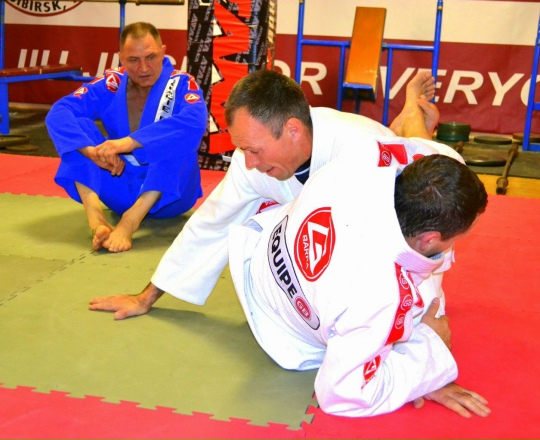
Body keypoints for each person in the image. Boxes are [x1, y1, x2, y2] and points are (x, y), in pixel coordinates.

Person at [89, 69, 481, 415]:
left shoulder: (360, 147)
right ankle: (411, 120)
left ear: (293, 129)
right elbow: (212, 222)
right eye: (242, 149)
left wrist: (424, 362)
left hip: (393, 202)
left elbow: (429, 213)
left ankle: (412, 119)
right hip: (301, 245)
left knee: (435, 208)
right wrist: (147, 296)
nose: (248, 161)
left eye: (253, 150)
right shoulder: (254, 162)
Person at [227, 153, 490, 417]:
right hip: (283, 332)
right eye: (456, 238)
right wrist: (427, 361)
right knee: (428, 294)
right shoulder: (380, 294)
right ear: (429, 239)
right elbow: (343, 396)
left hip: (260, 259)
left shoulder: (352, 165)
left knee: (428, 273)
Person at [46, 22, 207, 253]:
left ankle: (130, 221)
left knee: (176, 139)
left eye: (151, 57)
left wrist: (125, 144)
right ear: (121, 58)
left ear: (163, 51)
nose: (144, 68)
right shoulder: (111, 84)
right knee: (78, 130)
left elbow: (195, 122)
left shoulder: (181, 83)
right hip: (119, 183)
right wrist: (92, 152)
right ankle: (96, 218)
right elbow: (60, 111)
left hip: (170, 195)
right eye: (133, 60)